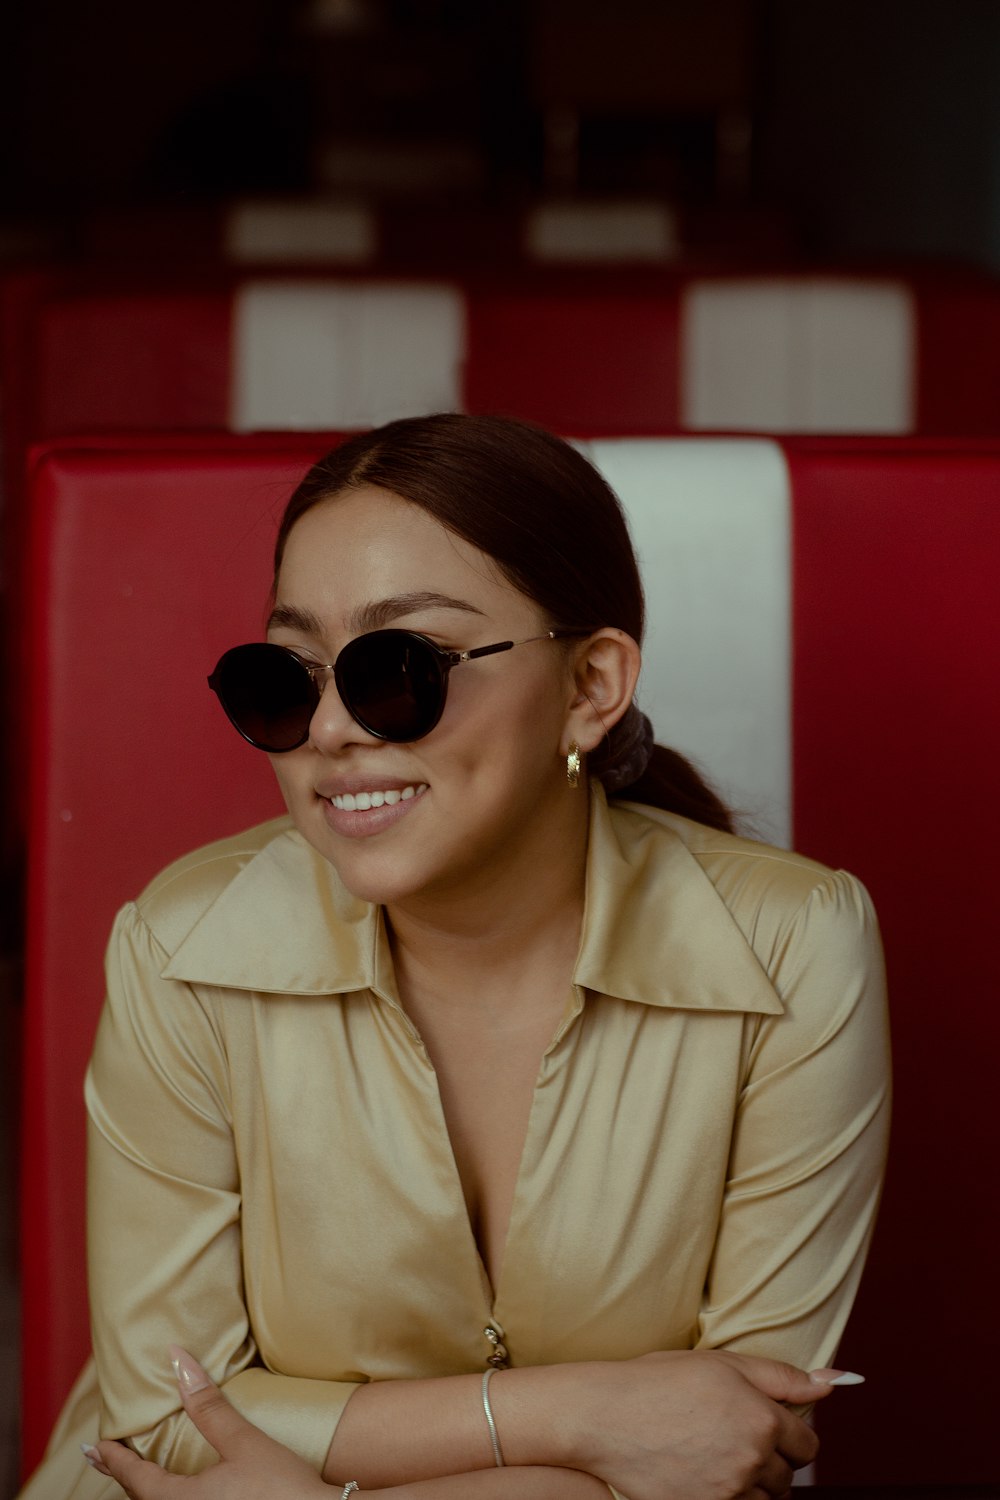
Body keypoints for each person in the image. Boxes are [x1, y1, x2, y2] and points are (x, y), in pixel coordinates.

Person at [20, 414, 890, 1500]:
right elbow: (162, 1418)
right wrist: (587, 1418)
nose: (332, 727)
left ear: (589, 687)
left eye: (397, 669)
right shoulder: (181, 947)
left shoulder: (795, 947)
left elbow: (733, 1445)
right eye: (286, 678)